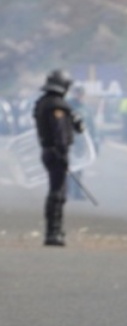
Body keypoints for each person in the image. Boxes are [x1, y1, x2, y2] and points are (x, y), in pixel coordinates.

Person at [33, 69, 83, 246]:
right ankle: (53, 232)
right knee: (58, 193)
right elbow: (60, 132)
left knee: (56, 191)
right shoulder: (57, 105)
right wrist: (62, 153)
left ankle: (54, 230)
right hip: (56, 152)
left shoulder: (43, 102)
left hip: (48, 150)